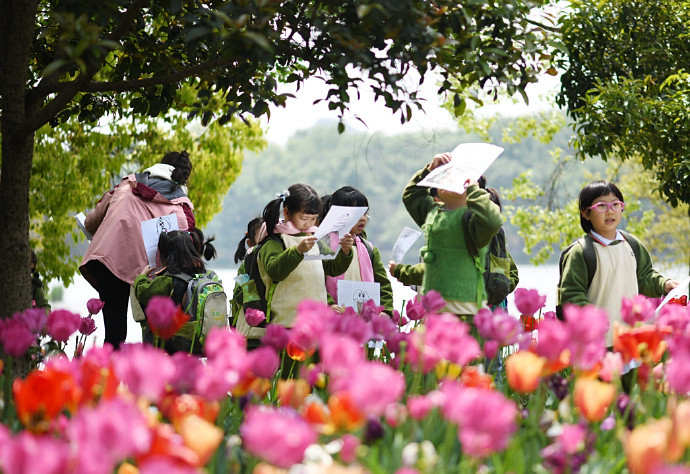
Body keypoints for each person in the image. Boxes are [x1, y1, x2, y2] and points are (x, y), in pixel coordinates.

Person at [80, 151, 195, 349]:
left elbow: (91, 221)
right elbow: (188, 236)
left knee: (114, 334)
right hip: (152, 273)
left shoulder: (127, 184)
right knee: (157, 332)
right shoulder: (180, 205)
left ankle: (109, 376)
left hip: (109, 260)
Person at [235, 184, 354, 352]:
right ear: (287, 213)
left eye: (313, 219)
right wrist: (298, 251)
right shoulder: (274, 241)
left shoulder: (315, 237)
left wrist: (345, 251)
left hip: (317, 323)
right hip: (287, 322)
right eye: (304, 218)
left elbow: (333, 269)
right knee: (290, 374)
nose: (308, 224)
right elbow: (276, 270)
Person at [558, 180, 678, 344]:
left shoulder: (632, 244)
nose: (610, 211)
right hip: (597, 344)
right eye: (601, 206)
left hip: (631, 339)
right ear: (585, 213)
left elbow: (645, 277)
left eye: (615, 204)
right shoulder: (581, 252)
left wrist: (665, 284)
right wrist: (593, 316)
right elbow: (571, 294)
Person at [402, 152, 502, 316]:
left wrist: (474, 191)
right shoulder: (433, 214)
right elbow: (411, 195)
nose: (444, 181)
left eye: (451, 178)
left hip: (466, 311)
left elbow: (493, 220)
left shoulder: (473, 221)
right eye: (444, 177)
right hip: (435, 311)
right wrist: (430, 170)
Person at [133, 230, 207, 354]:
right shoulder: (203, 275)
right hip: (193, 340)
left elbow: (143, 293)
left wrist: (141, 277)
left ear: (167, 254)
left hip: (168, 343)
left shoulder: (167, 280)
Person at [324, 186, 394, 315]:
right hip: (332, 317)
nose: (362, 218)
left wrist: (386, 311)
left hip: (363, 321)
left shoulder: (369, 249)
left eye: (365, 213)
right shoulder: (324, 244)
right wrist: (329, 303)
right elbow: (316, 281)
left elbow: (383, 286)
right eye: (357, 213)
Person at [231, 217, 264, 325]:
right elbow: (238, 296)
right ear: (250, 243)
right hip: (250, 327)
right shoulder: (246, 265)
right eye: (262, 238)